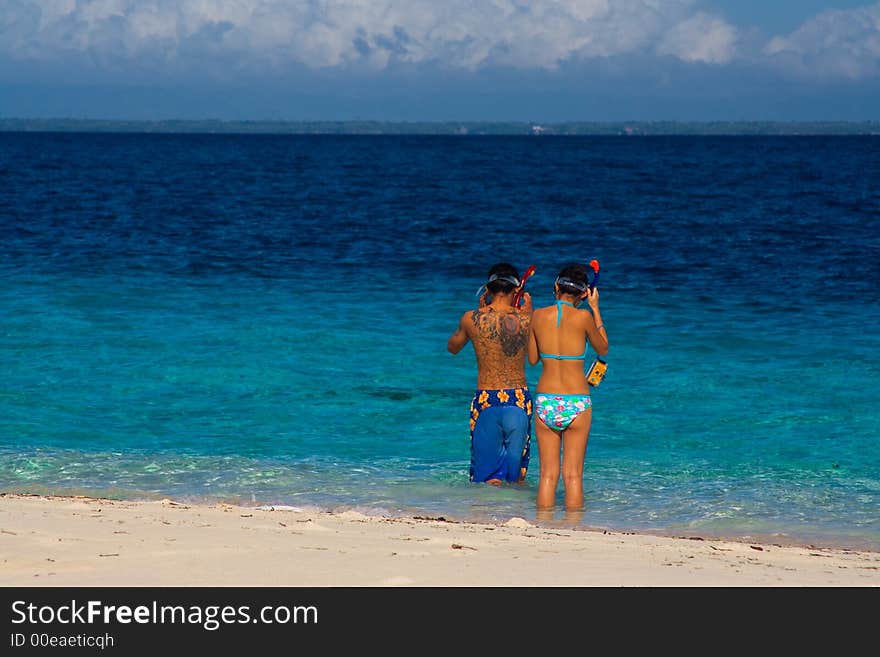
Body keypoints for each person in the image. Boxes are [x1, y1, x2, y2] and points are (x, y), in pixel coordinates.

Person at [528, 263, 608, 511]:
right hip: (577, 401)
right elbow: (603, 348)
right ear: (584, 294)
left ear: (556, 286)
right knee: (573, 476)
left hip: (546, 401)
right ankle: (573, 528)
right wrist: (595, 310)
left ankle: (542, 528)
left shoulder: (538, 316)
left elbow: (532, 359)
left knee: (547, 476)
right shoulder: (584, 317)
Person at [447, 263, 533, 485]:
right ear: (517, 291)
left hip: (486, 398)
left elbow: (453, 347)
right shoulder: (528, 320)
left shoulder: (470, 318)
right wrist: (529, 313)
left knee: (486, 475)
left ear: (487, 289)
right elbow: (535, 357)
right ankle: (518, 515)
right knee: (517, 476)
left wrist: (477, 313)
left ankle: (488, 514)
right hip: (518, 398)